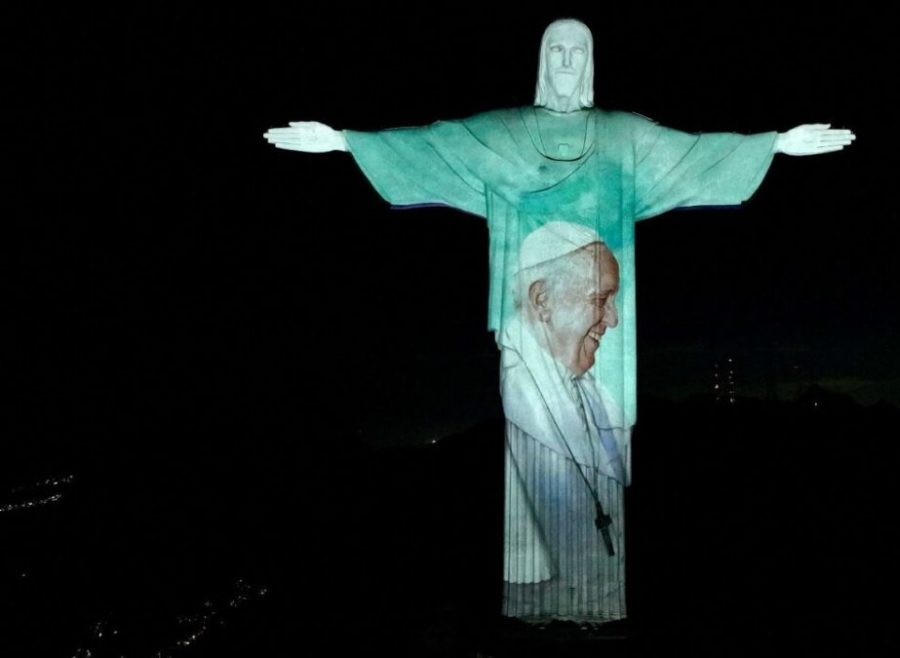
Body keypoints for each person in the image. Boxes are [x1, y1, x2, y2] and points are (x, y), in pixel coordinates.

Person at [264, 18, 855, 623]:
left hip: (601, 368)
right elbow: (434, 144)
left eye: (579, 51)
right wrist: (343, 141)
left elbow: (693, 152)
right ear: (544, 60)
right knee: (538, 459)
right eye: (558, 50)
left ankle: (593, 606)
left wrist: (774, 144)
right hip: (528, 347)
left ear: (591, 61)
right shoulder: (506, 134)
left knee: (597, 458)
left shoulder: (622, 136)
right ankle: (540, 605)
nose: (568, 59)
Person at [499, 221, 629, 622]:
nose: (613, 320)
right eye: (600, 299)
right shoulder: (523, 395)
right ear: (542, 301)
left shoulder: (585, 389)